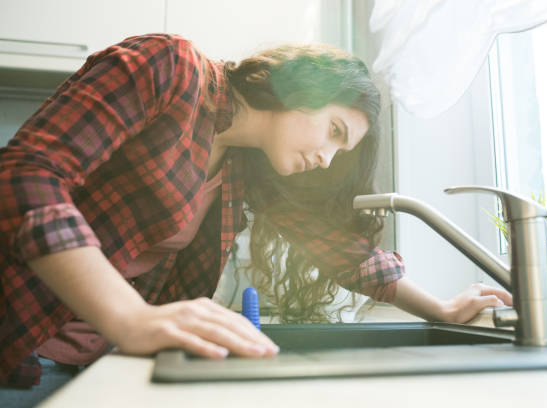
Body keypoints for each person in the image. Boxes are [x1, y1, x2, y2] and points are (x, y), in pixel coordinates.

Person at [0, 33, 512, 404]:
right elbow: (26, 175)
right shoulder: (170, 68)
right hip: (17, 347)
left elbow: (342, 252)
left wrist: (440, 309)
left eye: (343, 149)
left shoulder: (247, 166)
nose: (329, 158)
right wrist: (131, 319)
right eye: (333, 129)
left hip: (101, 362)